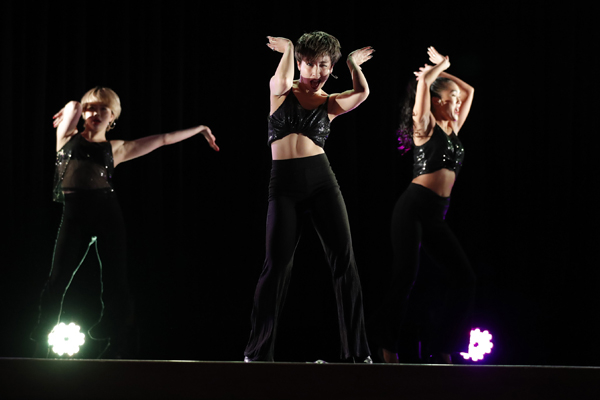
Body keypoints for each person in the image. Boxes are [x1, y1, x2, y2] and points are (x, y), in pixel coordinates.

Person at [31, 86, 218, 358]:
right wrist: (76, 106)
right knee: (58, 277)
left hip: (107, 213)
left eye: (103, 109)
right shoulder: (66, 137)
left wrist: (200, 128)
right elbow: (73, 105)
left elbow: (163, 139)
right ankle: (42, 333)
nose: (95, 113)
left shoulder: (116, 148)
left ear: (113, 117)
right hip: (74, 216)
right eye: (90, 108)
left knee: (115, 279)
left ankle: (118, 338)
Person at [243, 32, 374, 362]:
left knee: (344, 262)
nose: (317, 72)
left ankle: (357, 355)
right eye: (310, 64)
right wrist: (288, 48)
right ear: (299, 64)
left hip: (322, 183)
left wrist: (352, 63)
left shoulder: (330, 102)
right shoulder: (281, 91)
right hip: (284, 186)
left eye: (324, 65)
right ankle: (258, 355)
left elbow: (362, 93)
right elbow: (281, 77)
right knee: (276, 267)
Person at [375, 47, 476, 364]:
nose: (458, 103)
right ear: (436, 101)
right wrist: (437, 68)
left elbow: (470, 91)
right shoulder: (424, 127)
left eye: (457, 100)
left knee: (465, 278)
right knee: (405, 276)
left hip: (436, 215)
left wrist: (442, 73)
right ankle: (387, 347)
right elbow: (423, 87)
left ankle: (443, 347)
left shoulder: (453, 130)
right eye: (451, 99)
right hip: (413, 208)